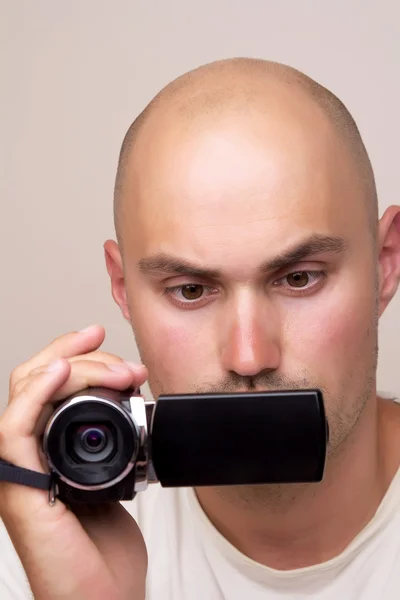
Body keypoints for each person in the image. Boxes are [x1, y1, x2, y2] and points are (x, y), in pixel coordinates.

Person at [1, 56, 400, 600]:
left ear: (385, 265)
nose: (249, 355)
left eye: (300, 278)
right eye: (190, 290)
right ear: (122, 288)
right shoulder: (37, 552)